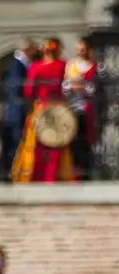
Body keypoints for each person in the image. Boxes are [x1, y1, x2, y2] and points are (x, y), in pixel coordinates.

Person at [12, 39, 75, 184]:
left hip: (41, 108)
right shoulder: (62, 65)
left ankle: (34, 176)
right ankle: (53, 177)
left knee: (36, 145)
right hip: (59, 109)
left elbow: (28, 91)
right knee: (58, 144)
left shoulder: (36, 66)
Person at [1, 39, 40, 178]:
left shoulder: (20, 63)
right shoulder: (17, 64)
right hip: (17, 111)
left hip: (18, 110)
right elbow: (16, 87)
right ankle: (14, 172)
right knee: (16, 142)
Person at [64, 37, 97, 179]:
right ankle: (76, 172)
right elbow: (65, 86)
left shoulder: (95, 66)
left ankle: (87, 171)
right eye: (78, 50)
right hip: (73, 107)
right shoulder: (71, 65)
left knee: (87, 140)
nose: (80, 52)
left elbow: (94, 88)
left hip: (89, 109)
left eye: (82, 50)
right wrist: (71, 87)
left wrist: (82, 87)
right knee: (74, 141)